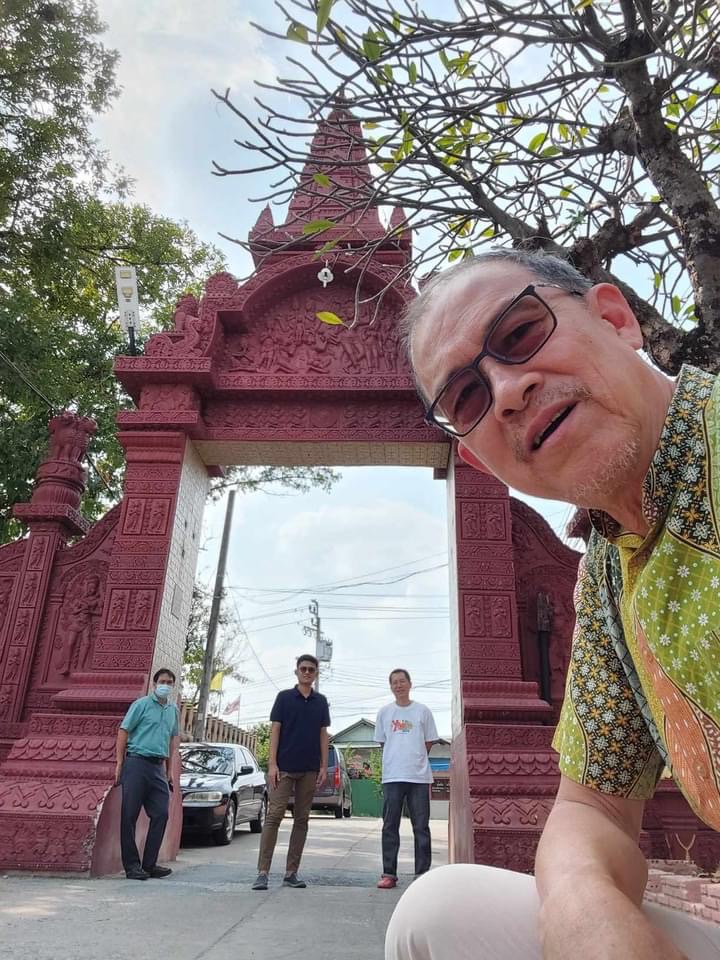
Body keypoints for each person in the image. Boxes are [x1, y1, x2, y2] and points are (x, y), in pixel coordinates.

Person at [385, 248, 720, 959]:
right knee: (440, 914)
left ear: (615, 318)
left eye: (520, 333)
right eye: (467, 398)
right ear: (477, 458)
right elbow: (593, 806)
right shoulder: (608, 570)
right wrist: (583, 908)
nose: (508, 391)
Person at [252, 654, 330, 891]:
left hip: (309, 769)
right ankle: (262, 872)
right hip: (283, 768)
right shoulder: (284, 698)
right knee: (274, 816)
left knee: (302, 820)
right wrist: (272, 764)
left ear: (316, 674)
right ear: (296, 672)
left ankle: (291, 873)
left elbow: (323, 734)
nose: (307, 672)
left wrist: (324, 766)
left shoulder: (320, 701)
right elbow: (275, 730)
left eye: (311, 669)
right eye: (303, 668)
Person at [375, 669, 438, 890]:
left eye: (402, 681)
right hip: (393, 776)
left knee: (421, 826)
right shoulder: (384, 713)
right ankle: (389, 874)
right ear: (391, 686)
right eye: (394, 682)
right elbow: (383, 743)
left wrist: (415, 758)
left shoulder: (422, 711)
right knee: (390, 825)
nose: (399, 685)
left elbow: (429, 742)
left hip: (418, 777)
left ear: (410, 684)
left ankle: (422, 875)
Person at [115, 667, 179, 881]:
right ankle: (132, 866)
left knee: (161, 813)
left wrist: (169, 769)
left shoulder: (173, 710)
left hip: (158, 767)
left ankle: (149, 864)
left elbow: (172, 739)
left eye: (169, 682)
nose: (165, 685)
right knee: (129, 815)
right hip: (137, 762)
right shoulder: (141, 705)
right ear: (154, 684)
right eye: (162, 681)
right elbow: (124, 731)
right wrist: (120, 763)